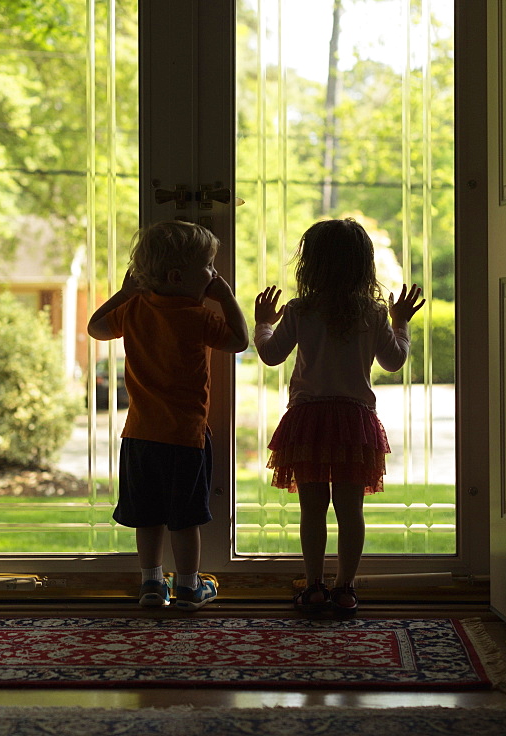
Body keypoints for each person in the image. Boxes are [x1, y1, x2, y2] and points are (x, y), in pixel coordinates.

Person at [253, 218, 424, 616]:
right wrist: (400, 324)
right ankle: (345, 589)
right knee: (351, 511)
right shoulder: (372, 312)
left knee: (312, 509)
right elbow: (394, 361)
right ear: (364, 264)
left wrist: (263, 323)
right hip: (353, 423)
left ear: (310, 264)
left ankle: (313, 587)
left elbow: (271, 354)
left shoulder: (301, 310)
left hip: (309, 421)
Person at [88, 220, 249, 610]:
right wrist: (225, 297)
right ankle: (189, 587)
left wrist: (123, 293)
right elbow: (239, 340)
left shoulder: (133, 309)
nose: (214, 274)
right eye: (209, 267)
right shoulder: (199, 316)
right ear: (179, 276)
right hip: (185, 437)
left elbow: (95, 328)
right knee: (183, 518)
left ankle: (151, 583)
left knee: (148, 516)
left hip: (140, 436)